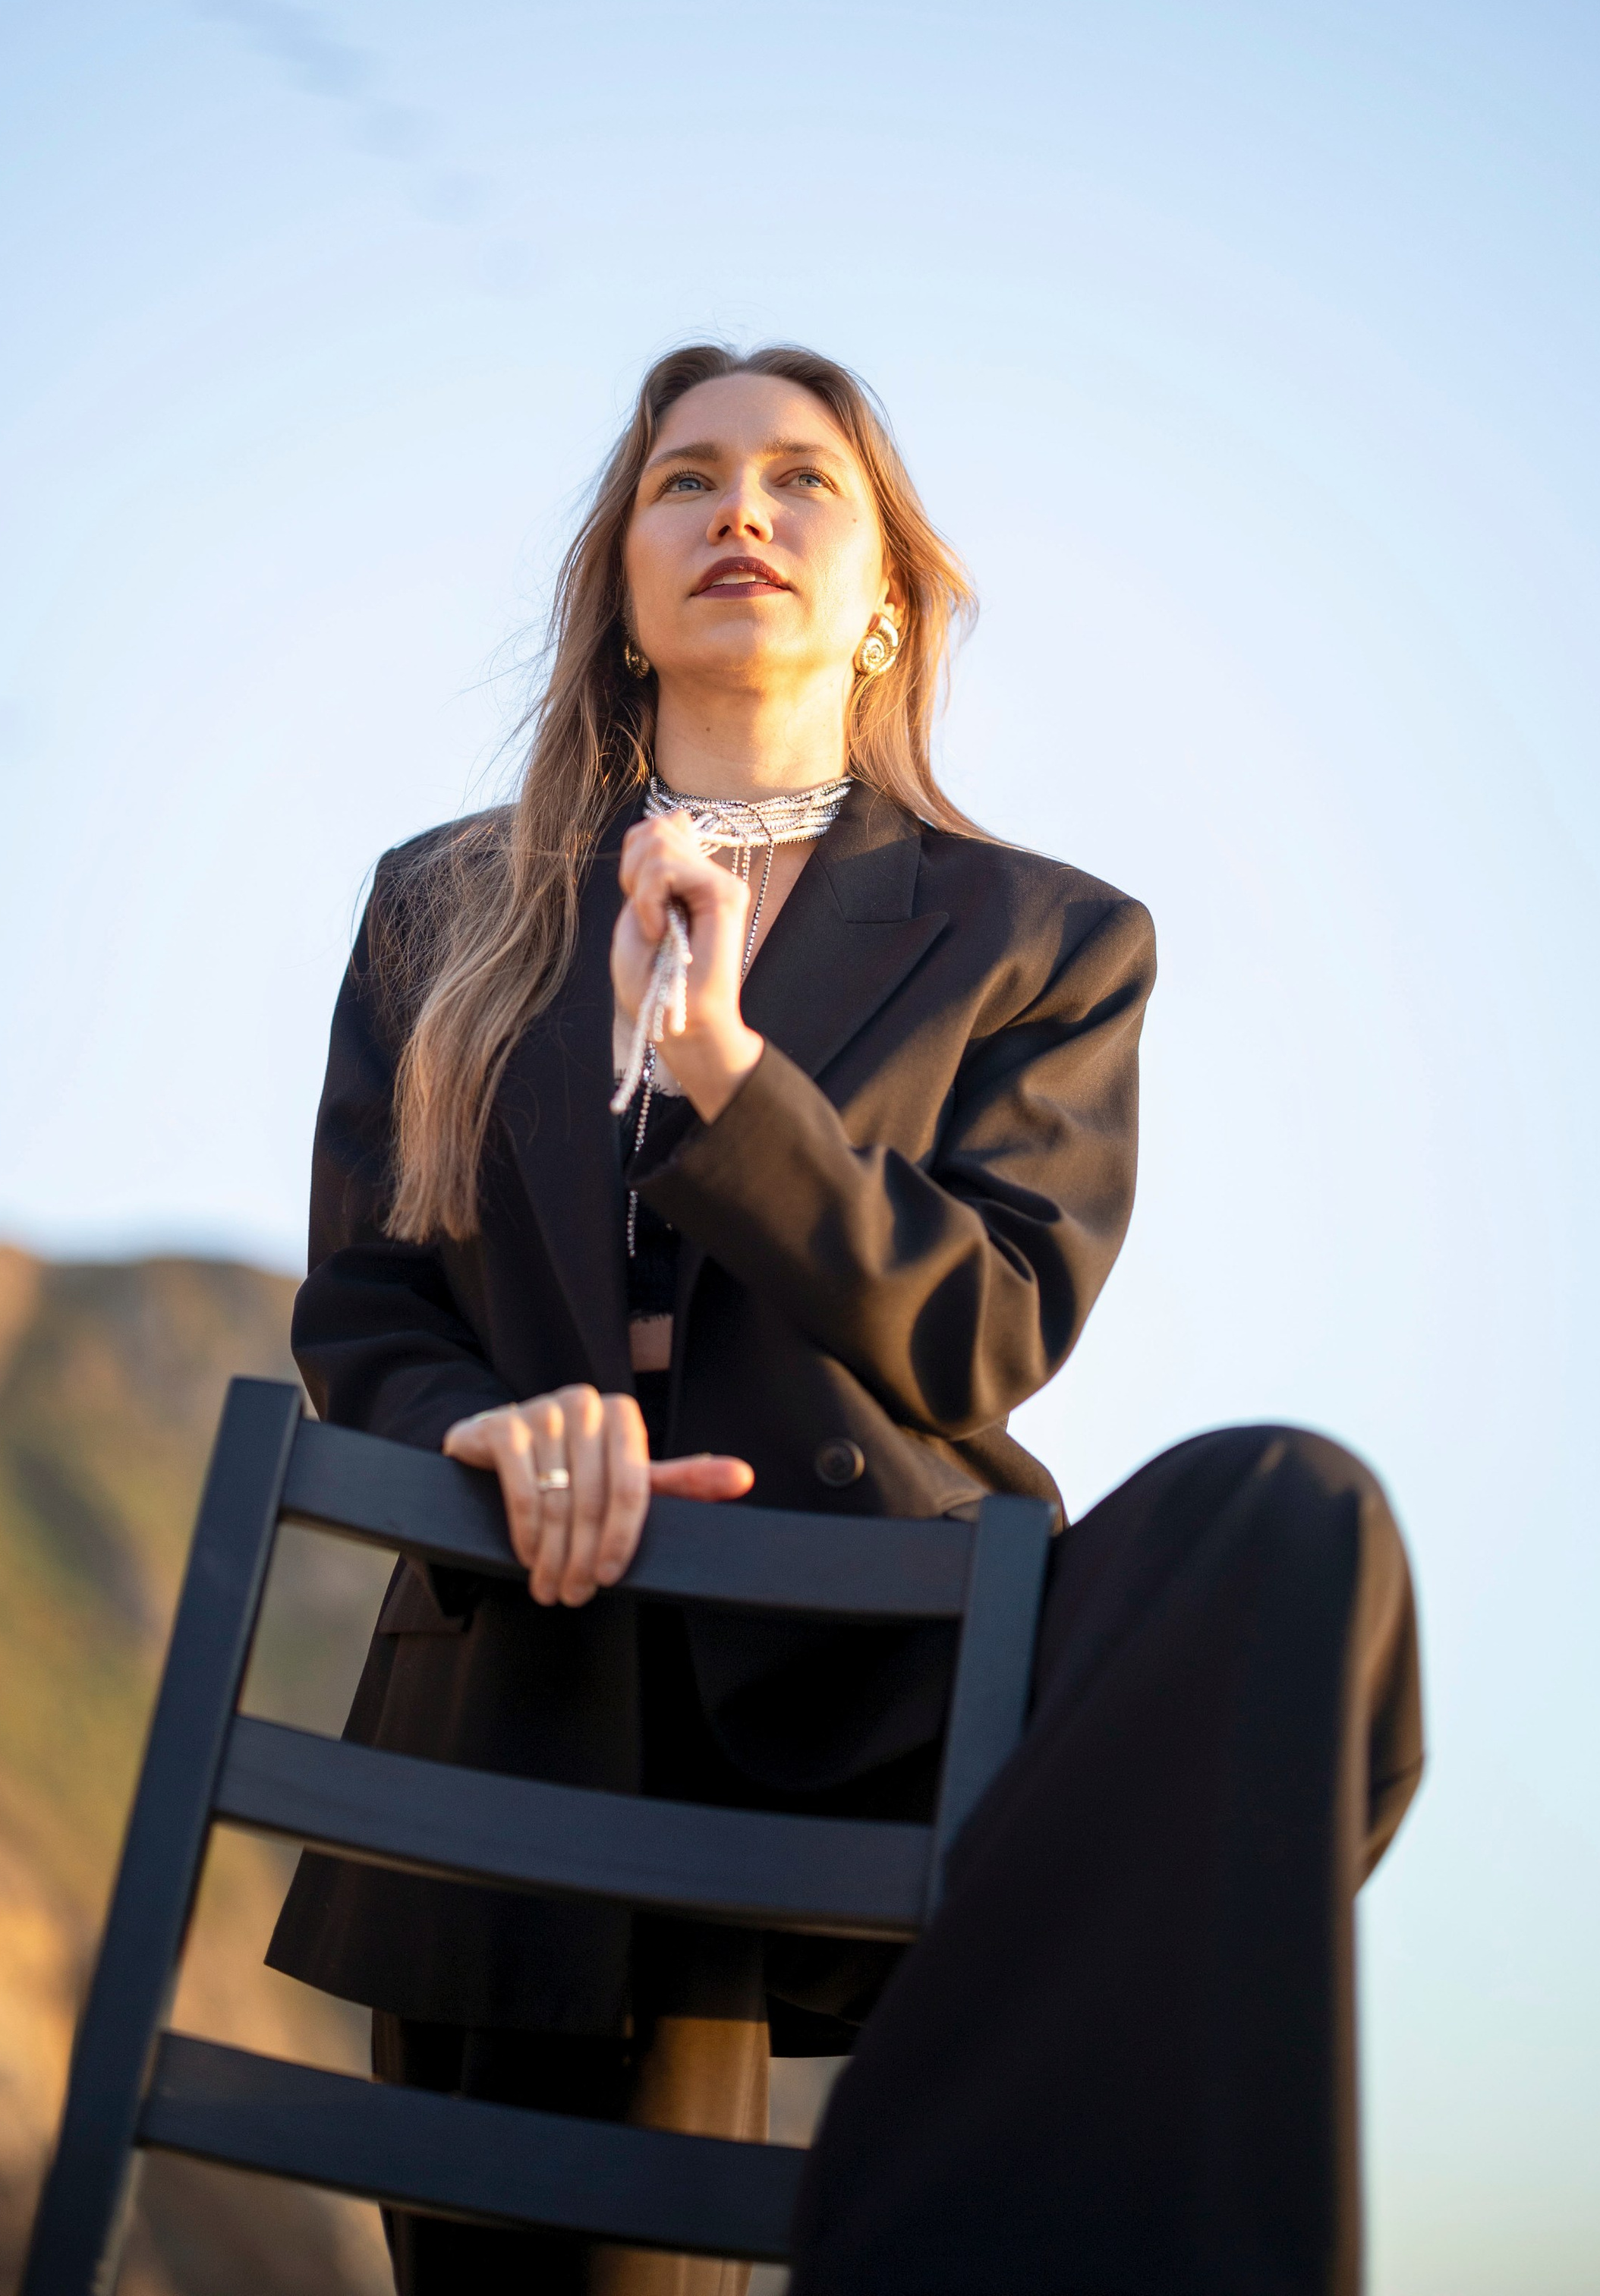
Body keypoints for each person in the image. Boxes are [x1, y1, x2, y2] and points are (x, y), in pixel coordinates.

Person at [266, 342, 1422, 2296]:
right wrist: (483, 1428)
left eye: (800, 480)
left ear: (885, 597)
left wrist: (726, 1076)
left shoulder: (1043, 936)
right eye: (682, 481)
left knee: (1287, 1521)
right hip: (535, 1680)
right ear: (621, 599)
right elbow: (366, 1302)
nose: (738, 510)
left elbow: (985, 1325)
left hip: (887, 1679)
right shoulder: (441, 908)